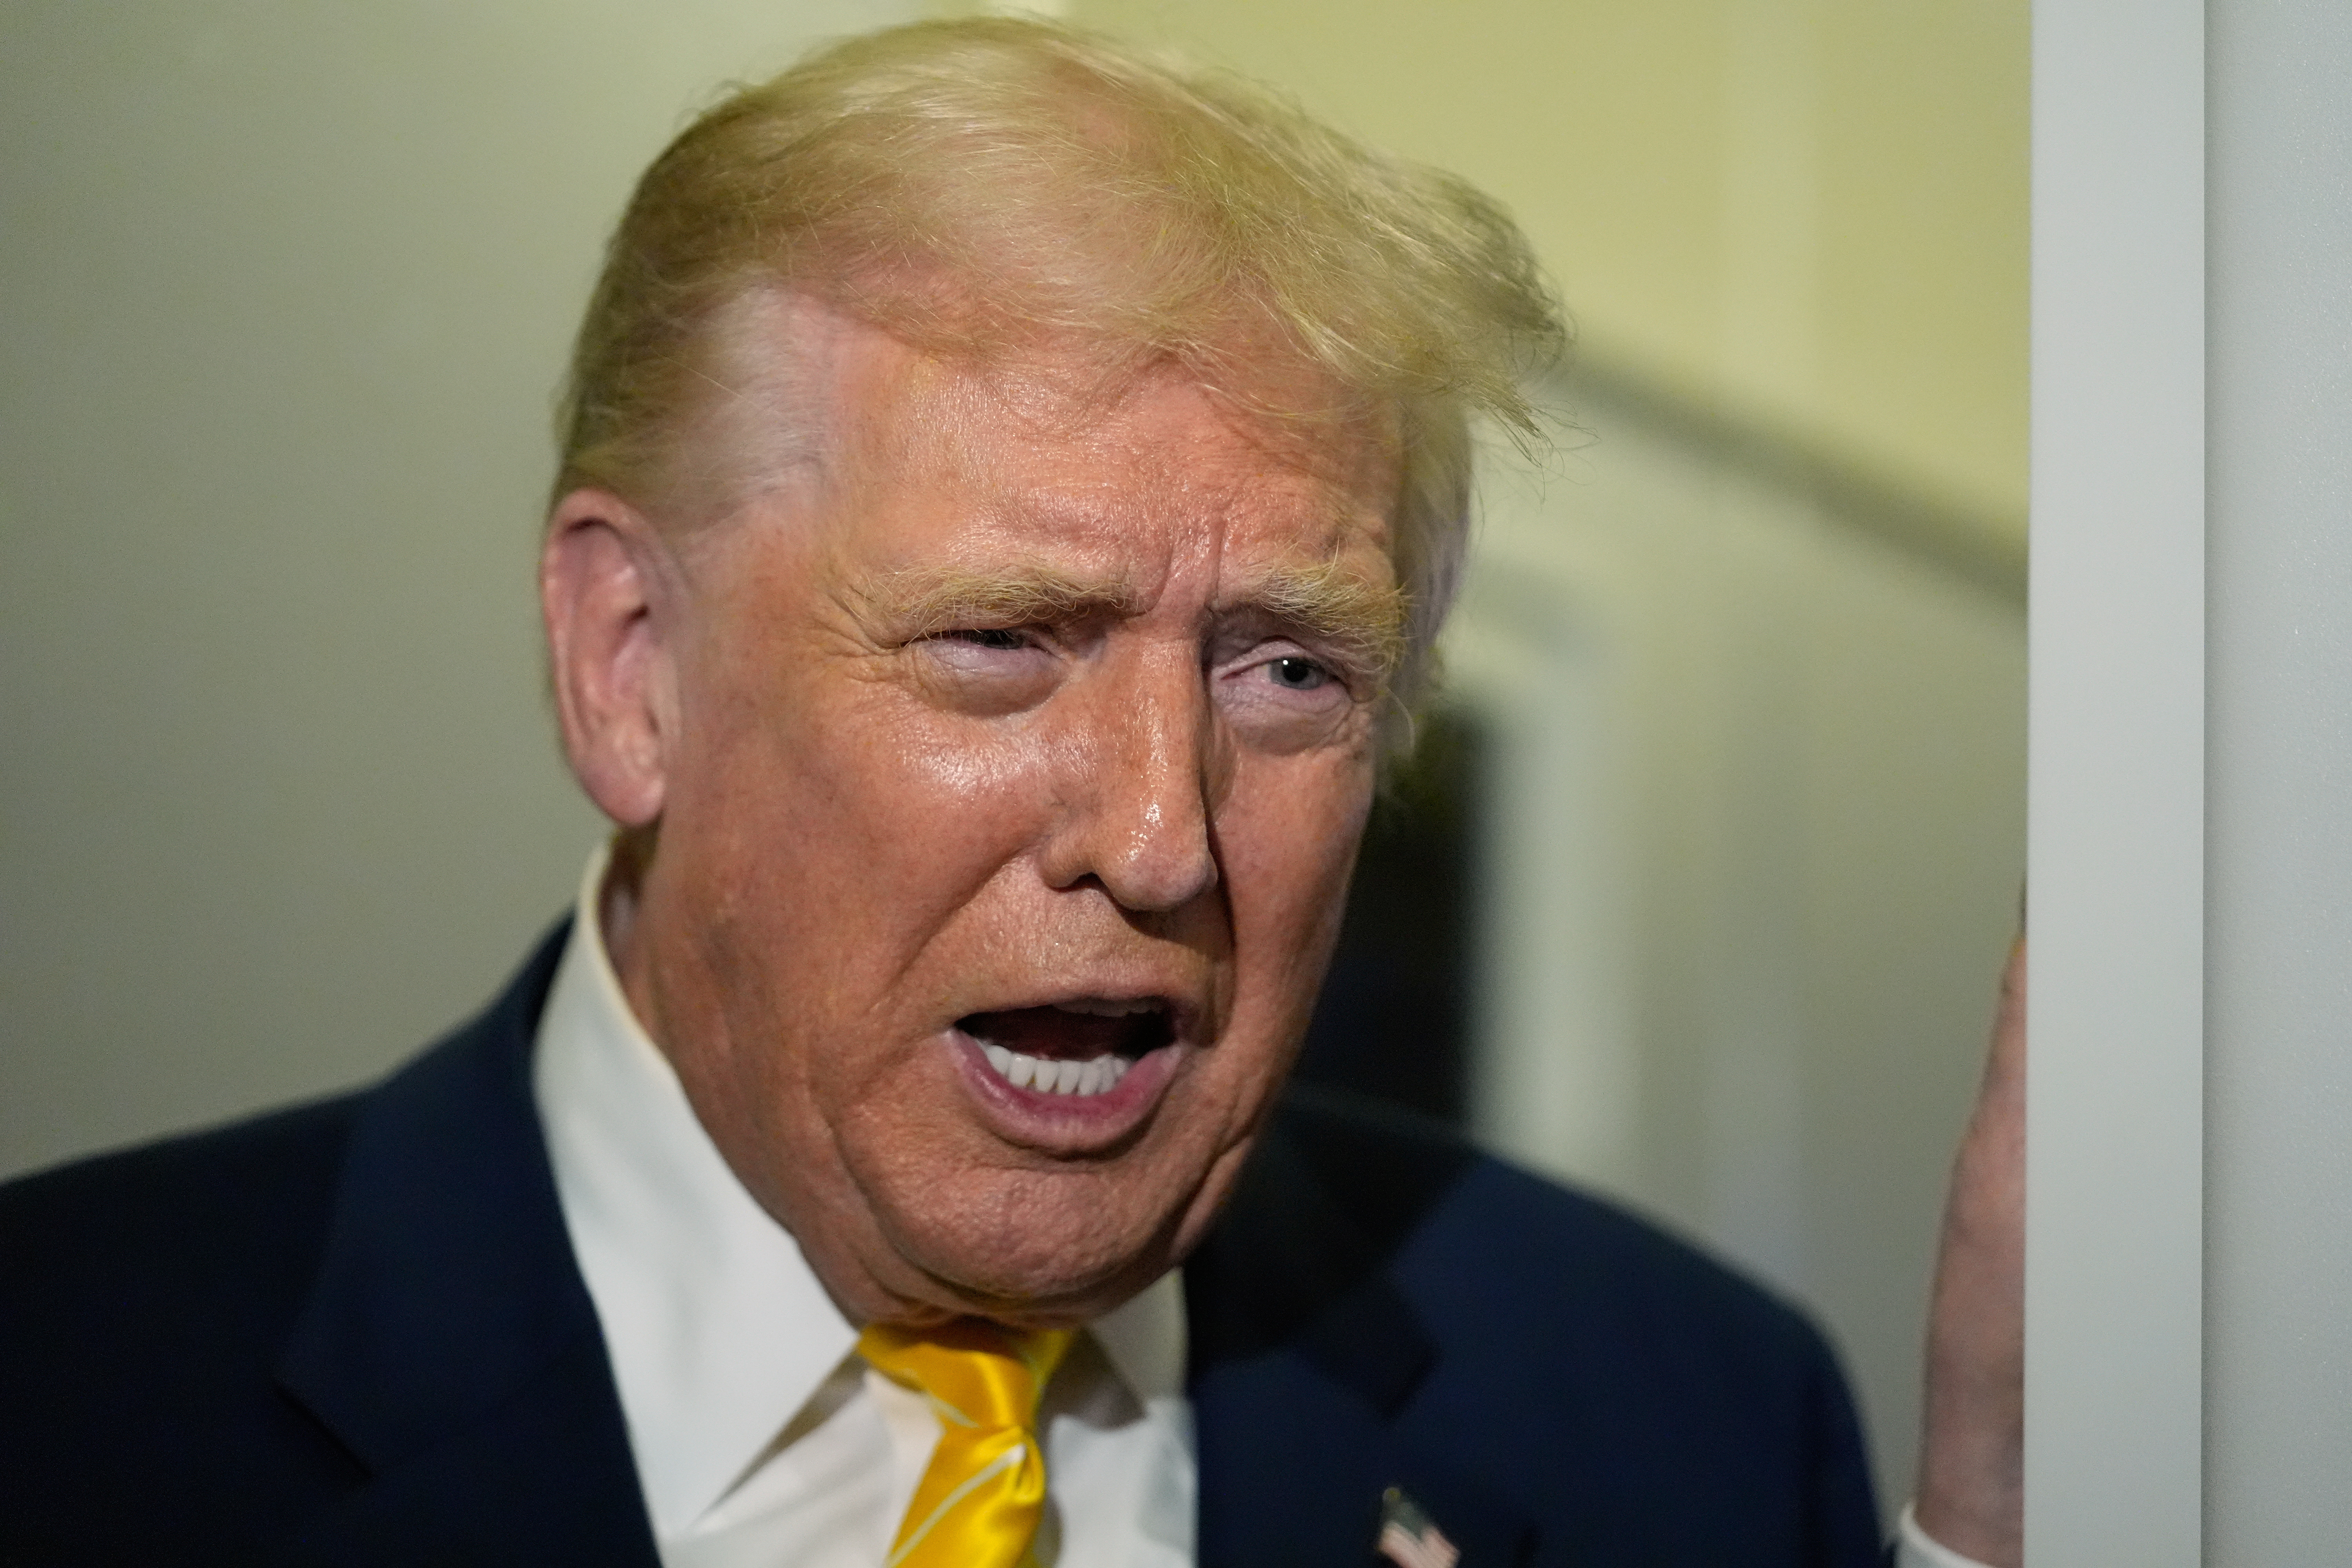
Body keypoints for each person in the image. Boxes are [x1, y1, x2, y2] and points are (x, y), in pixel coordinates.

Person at [0, 19, 2020, 1568]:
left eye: (1289, 671)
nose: (1157, 837)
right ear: (633, 670)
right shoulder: (69, 1403)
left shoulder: (1676, 1420)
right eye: (1003, 641)